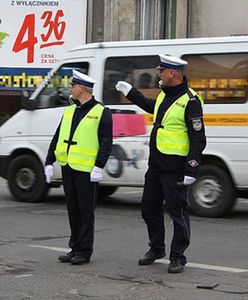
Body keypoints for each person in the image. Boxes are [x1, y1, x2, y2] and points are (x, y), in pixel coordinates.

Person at [115, 54, 206, 273]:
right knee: (149, 207)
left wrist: (192, 167)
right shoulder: (166, 95)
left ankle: (178, 256)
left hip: (175, 166)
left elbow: (198, 138)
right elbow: (151, 106)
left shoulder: (191, 101)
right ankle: (157, 248)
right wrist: (131, 93)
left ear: (172, 73)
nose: (159, 75)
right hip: (156, 164)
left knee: (177, 211)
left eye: (161, 71)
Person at [45, 70, 112, 265]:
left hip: (87, 170)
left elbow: (107, 142)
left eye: (73, 86)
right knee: (73, 209)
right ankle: (74, 247)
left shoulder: (101, 112)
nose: (70, 89)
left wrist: (99, 166)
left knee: (85, 211)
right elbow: (57, 137)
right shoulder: (69, 110)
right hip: (68, 167)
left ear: (81, 88)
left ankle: (84, 251)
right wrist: (49, 161)